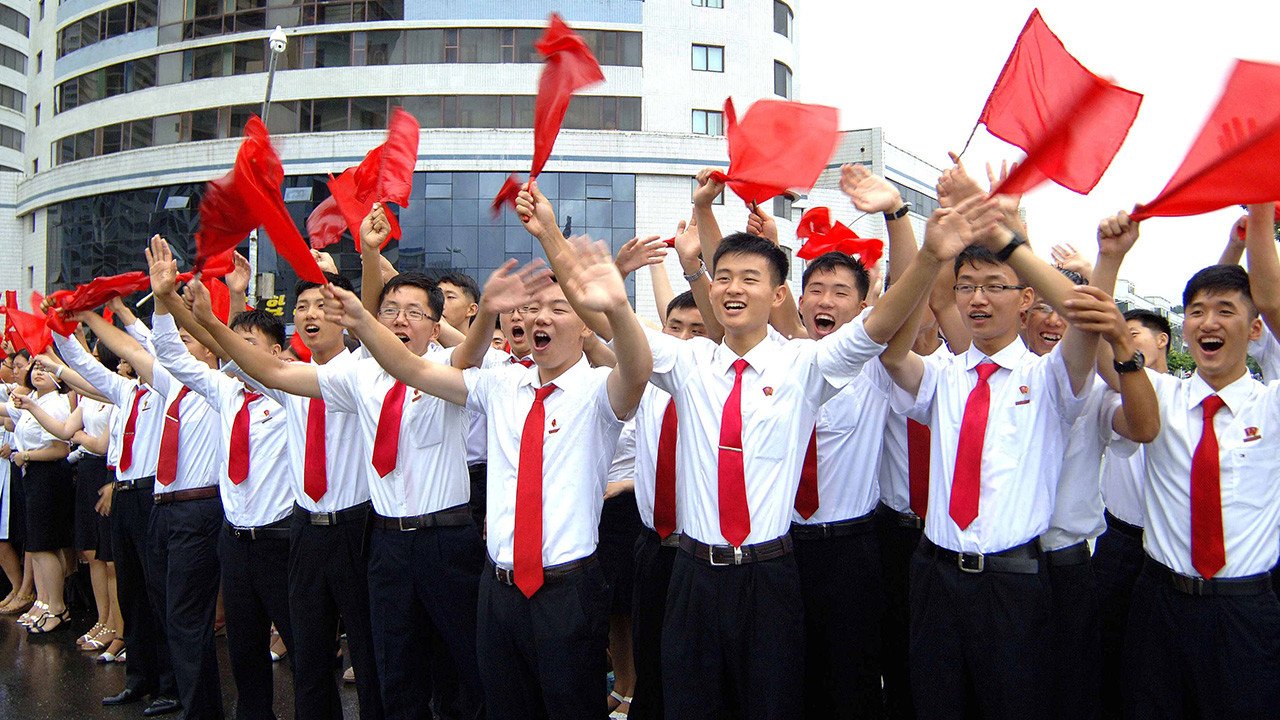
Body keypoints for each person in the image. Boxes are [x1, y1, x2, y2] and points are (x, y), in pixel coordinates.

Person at [319, 230, 651, 720]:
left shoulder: (599, 390)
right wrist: (364, 322)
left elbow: (638, 371)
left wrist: (618, 308)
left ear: (585, 326)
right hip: (498, 591)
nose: (540, 318)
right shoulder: (500, 383)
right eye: (532, 309)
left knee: (570, 707)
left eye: (559, 309)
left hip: (568, 591)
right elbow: (414, 370)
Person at [877, 193, 1154, 719]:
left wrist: (1105, 259)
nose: (978, 299)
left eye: (994, 286)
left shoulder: (1048, 378)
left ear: (1026, 298)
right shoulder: (943, 374)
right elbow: (892, 354)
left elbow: (1085, 325)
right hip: (935, 573)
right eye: (966, 287)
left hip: (1013, 582)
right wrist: (931, 259)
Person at [193, 270, 386, 720]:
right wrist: (197, 313)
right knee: (310, 653)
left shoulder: (364, 368)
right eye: (301, 307)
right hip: (305, 529)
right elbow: (242, 356)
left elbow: (371, 317)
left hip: (354, 527)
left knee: (367, 648)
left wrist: (370, 255)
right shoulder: (289, 378)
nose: (310, 314)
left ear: (345, 314)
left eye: (322, 305)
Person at [1115, 203, 1280, 720]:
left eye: (1227, 312)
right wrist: (1107, 259)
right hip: (1159, 602)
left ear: (1255, 329)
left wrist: (1259, 209)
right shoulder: (1158, 394)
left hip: (1244, 612)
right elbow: (1095, 342)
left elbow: (1271, 301)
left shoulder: (1272, 406)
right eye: (1196, 312)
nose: (1209, 323)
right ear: (1183, 328)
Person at [147, 237, 296, 720]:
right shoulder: (225, 392)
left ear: (278, 352)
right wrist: (164, 302)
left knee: (302, 648)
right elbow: (173, 355)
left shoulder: (290, 393)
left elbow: (233, 355)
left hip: (281, 539)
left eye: (251, 346)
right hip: (235, 539)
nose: (238, 356)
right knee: (244, 651)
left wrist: (231, 300)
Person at [77, 297, 226, 720]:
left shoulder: (222, 385)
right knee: (146, 598)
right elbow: (120, 354)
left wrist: (159, 302)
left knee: (181, 613)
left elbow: (148, 343)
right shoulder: (169, 389)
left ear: (210, 348)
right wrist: (82, 320)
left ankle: (183, 696)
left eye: (186, 339)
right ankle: (153, 682)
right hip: (162, 506)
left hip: (198, 508)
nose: (175, 344)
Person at [53, 314, 181, 713]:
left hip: (150, 495)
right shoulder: (127, 392)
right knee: (130, 591)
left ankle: (170, 684)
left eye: (134, 353)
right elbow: (85, 367)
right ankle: (139, 678)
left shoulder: (167, 387)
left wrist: (121, 314)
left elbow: (158, 343)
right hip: (124, 495)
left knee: (156, 591)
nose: (127, 360)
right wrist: (60, 332)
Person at [20, 339, 122, 654]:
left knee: (110, 559)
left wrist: (82, 438)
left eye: (95, 356)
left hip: (106, 471)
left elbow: (102, 444)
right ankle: (102, 619)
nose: (90, 361)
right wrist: (32, 407)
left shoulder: (115, 393)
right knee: (91, 554)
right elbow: (65, 431)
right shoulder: (89, 399)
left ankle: (116, 626)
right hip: (89, 472)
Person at [3, 363, 73, 633]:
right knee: (39, 544)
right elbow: (7, 413)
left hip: (48, 474)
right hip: (33, 475)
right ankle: (46, 603)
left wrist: (26, 455)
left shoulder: (55, 403)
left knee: (45, 544)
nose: (39, 373)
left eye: (47, 369)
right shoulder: (33, 400)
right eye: (36, 368)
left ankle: (57, 607)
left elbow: (60, 449)